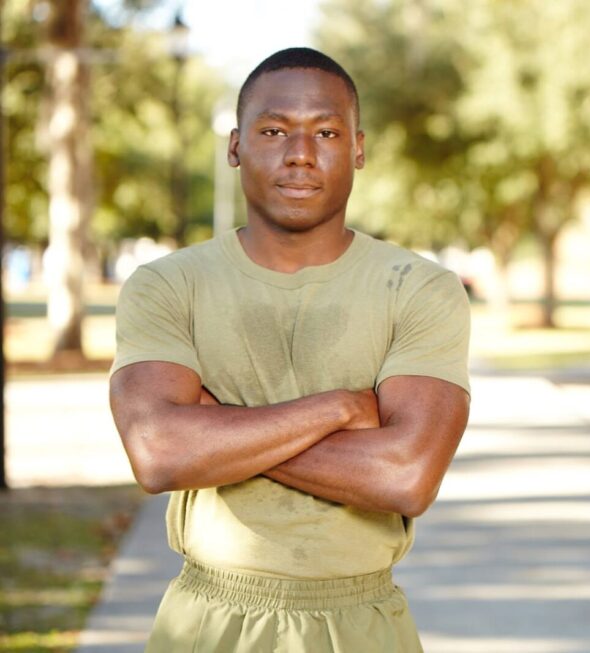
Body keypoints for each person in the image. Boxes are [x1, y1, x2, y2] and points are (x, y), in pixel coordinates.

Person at [108, 47, 471, 652]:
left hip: (362, 621)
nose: (300, 153)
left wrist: (214, 427)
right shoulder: (168, 285)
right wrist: (338, 410)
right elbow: (158, 454)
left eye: (325, 132)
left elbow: (407, 475)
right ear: (235, 146)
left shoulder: (420, 288)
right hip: (208, 618)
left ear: (358, 148)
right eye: (273, 130)